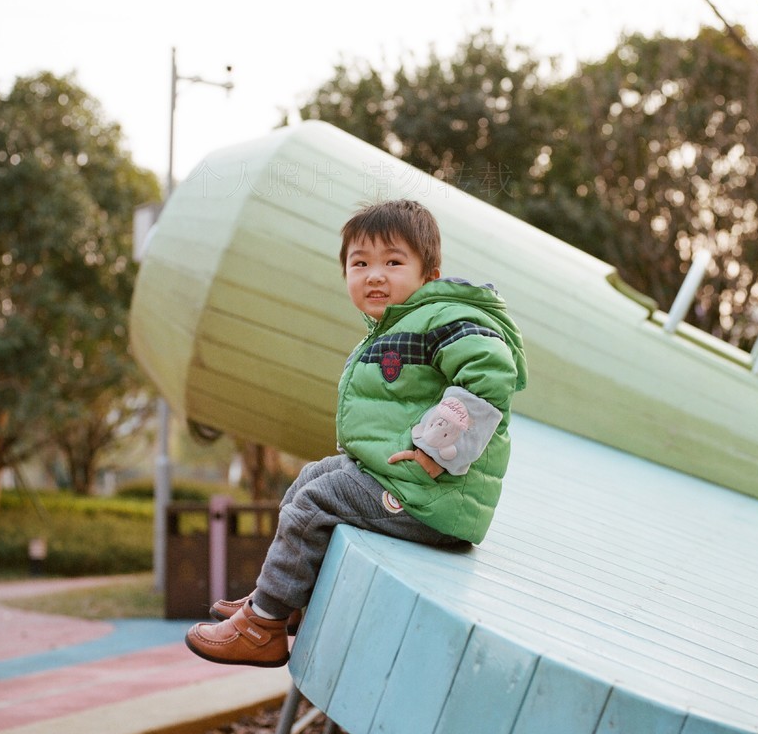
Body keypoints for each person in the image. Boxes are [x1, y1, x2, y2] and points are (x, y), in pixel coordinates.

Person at [185, 198, 527, 668]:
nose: (375, 275)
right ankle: (279, 600)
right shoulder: (397, 326)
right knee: (311, 479)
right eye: (359, 263)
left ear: (428, 273)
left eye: (393, 262)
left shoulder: (446, 319)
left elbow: (490, 374)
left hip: (431, 496)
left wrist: (436, 446)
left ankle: (261, 627)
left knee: (315, 504)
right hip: (408, 482)